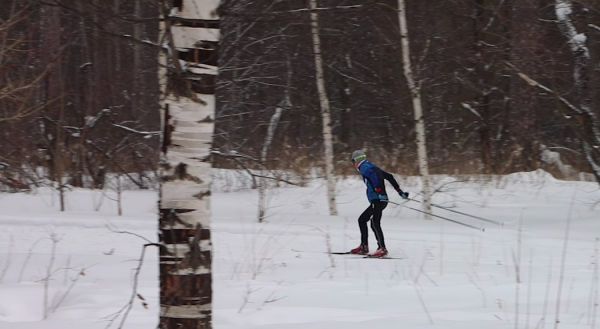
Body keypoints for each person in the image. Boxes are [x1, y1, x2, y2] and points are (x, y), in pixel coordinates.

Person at [349, 150, 409, 257]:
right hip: (381, 200)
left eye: (352, 162)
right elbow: (389, 176)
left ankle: (382, 248)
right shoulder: (372, 166)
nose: (353, 164)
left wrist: (378, 189)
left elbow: (373, 176)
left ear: (356, 161)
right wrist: (400, 192)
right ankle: (365, 246)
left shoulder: (364, 167)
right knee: (364, 220)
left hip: (378, 200)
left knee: (374, 222)